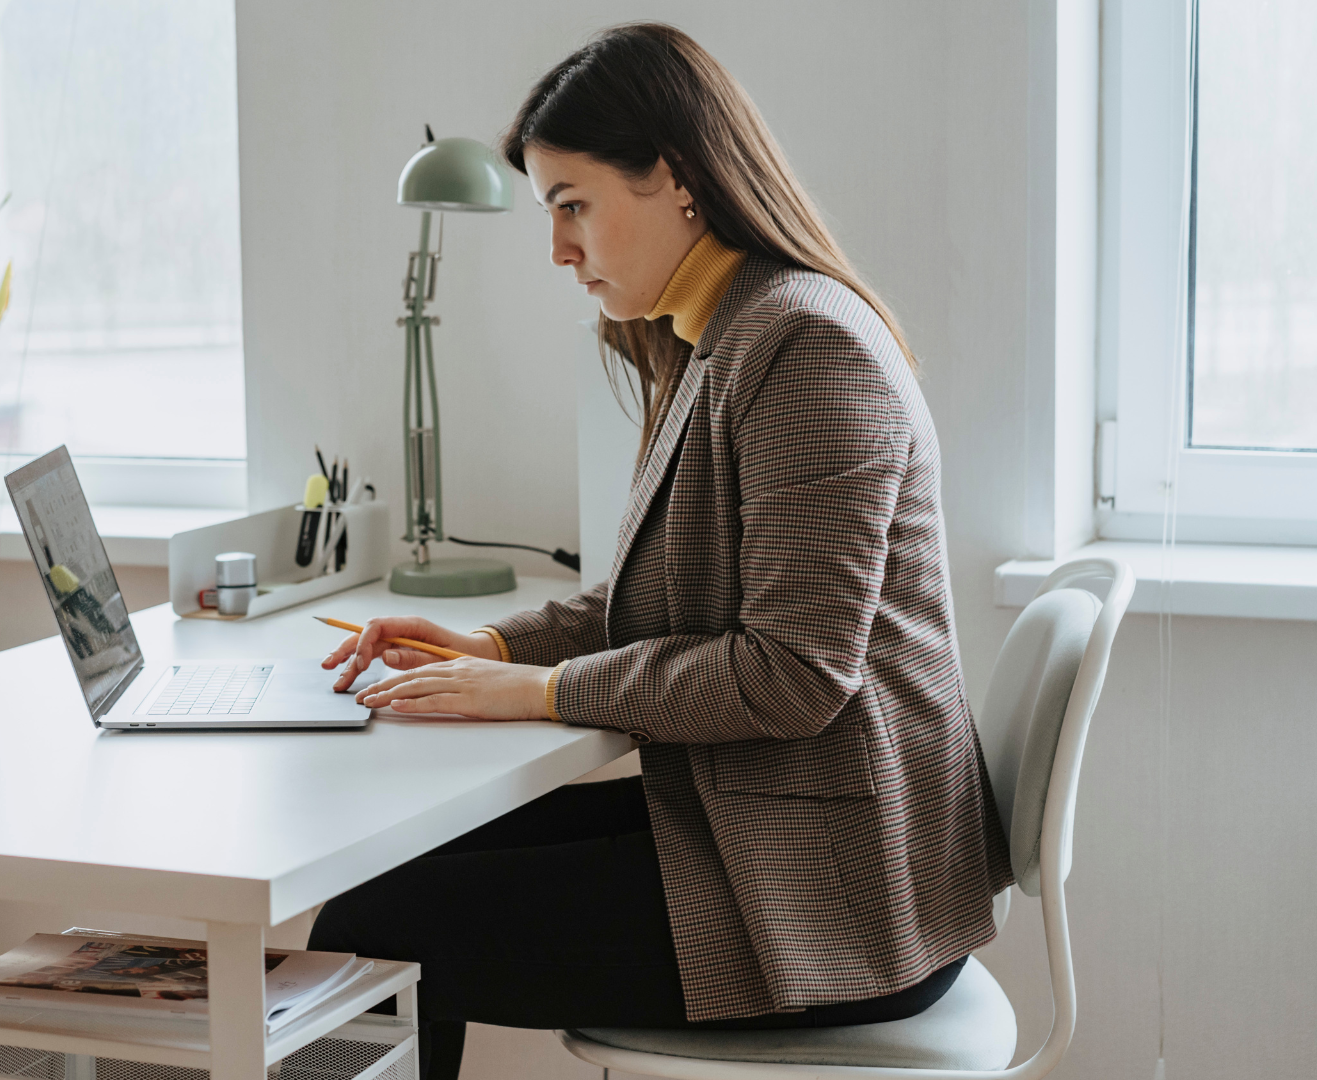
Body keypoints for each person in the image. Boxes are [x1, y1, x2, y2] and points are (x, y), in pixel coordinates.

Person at [312, 23, 1013, 1080]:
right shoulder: (718, 335)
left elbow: (791, 675)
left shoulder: (804, 345)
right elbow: (661, 596)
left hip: (842, 894)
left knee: (381, 928)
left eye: (571, 205)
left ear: (677, 180)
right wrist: (496, 644)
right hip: (774, 831)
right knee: (388, 884)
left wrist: (545, 694)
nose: (557, 250)